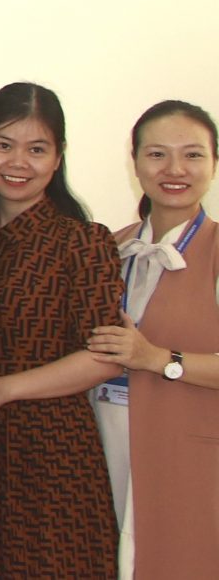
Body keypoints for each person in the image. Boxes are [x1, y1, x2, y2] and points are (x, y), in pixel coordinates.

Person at [0, 83, 118, 579]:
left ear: (58, 157)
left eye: (37, 149)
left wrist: (5, 389)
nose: (18, 162)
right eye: (4, 145)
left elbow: (105, 356)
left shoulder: (83, 242)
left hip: (55, 452)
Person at [86, 99, 219, 578]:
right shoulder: (109, 246)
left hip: (186, 453)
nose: (174, 169)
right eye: (158, 154)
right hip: (102, 445)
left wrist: (159, 358)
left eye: (192, 155)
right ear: (136, 162)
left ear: (214, 163)